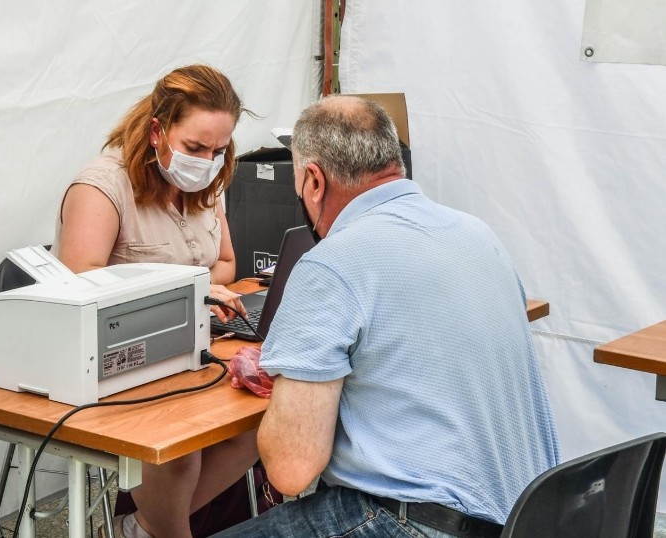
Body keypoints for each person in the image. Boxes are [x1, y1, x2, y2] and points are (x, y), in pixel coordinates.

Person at [214, 95, 561, 538]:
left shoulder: (332, 262)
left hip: (418, 522)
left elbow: (291, 470)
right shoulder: (478, 233)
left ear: (314, 181)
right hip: (525, 519)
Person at [52, 65, 259, 538]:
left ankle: (144, 529)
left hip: (186, 348)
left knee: (260, 420)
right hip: (115, 360)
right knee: (180, 444)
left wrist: (200, 292)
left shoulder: (204, 184)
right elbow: (80, 285)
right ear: (156, 131)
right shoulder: (102, 187)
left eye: (218, 149)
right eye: (195, 148)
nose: (207, 160)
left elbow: (226, 264)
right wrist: (190, 291)